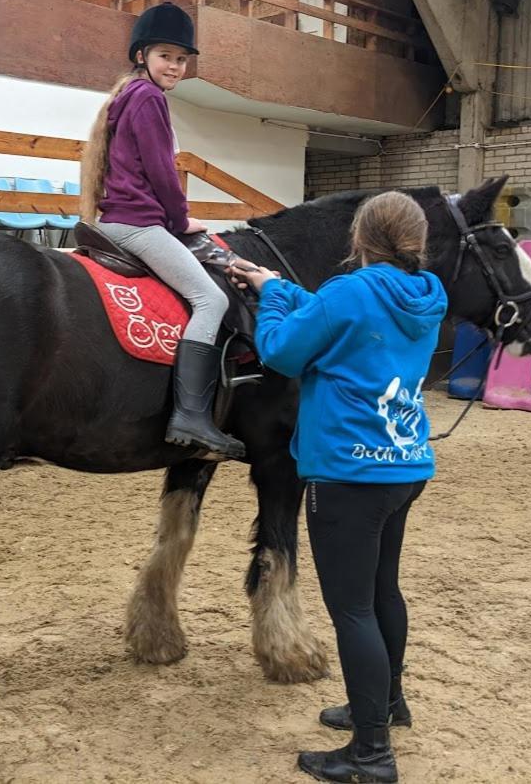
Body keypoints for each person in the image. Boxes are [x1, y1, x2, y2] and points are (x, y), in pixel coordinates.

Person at [231, 191, 447, 783]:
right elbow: (340, 319)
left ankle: (370, 751)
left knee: (351, 610)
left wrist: (270, 300)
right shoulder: (428, 294)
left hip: (348, 471)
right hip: (403, 465)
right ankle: (387, 704)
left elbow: (282, 349)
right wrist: (277, 284)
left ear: (359, 238)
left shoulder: (348, 292)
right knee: (383, 593)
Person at [80, 2, 244, 459]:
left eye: (181, 58)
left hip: (114, 220)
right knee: (212, 299)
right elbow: (161, 171)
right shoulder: (150, 98)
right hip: (137, 223)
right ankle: (191, 416)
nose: (174, 65)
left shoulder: (126, 95)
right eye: (166, 56)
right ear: (142, 56)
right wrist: (178, 218)